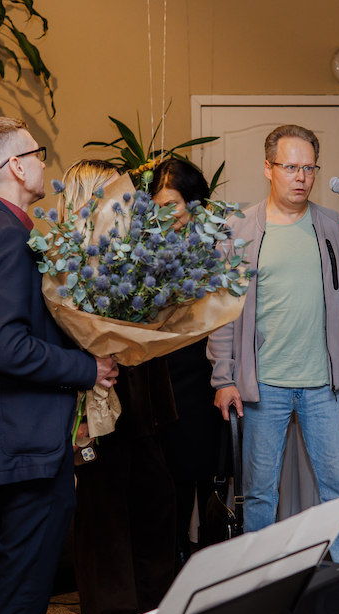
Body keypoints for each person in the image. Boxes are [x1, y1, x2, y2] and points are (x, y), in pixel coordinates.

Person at [207, 124, 339, 614]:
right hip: (263, 386)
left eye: (309, 167)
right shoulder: (240, 230)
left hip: (323, 385)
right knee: (259, 492)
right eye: (290, 166)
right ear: (268, 168)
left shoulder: (331, 226)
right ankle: (257, 589)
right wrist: (224, 378)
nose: (301, 177)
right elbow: (222, 313)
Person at [0, 118, 118, 614]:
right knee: (21, 582)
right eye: (37, 153)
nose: (45, 162)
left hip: (7, 432)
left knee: (8, 566)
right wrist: (88, 368)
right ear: (16, 167)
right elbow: (6, 346)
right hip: (27, 439)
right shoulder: (8, 237)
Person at [59, 159, 178, 614]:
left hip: (143, 402)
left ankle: (155, 612)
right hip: (97, 401)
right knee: (104, 516)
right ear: (88, 200)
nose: (126, 201)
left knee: (155, 505)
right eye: (115, 193)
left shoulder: (133, 249)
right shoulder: (64, 260)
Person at [150, 158, 224, 564]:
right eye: (157, 206)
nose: (164, 215)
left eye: (172, 205)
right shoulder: (146, 248)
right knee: (171, 474)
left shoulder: (219, 246)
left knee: (211, 472)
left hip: (209, 372)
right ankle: (175, 554)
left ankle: (214, 558)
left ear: (195, 204)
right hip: (165, 374)